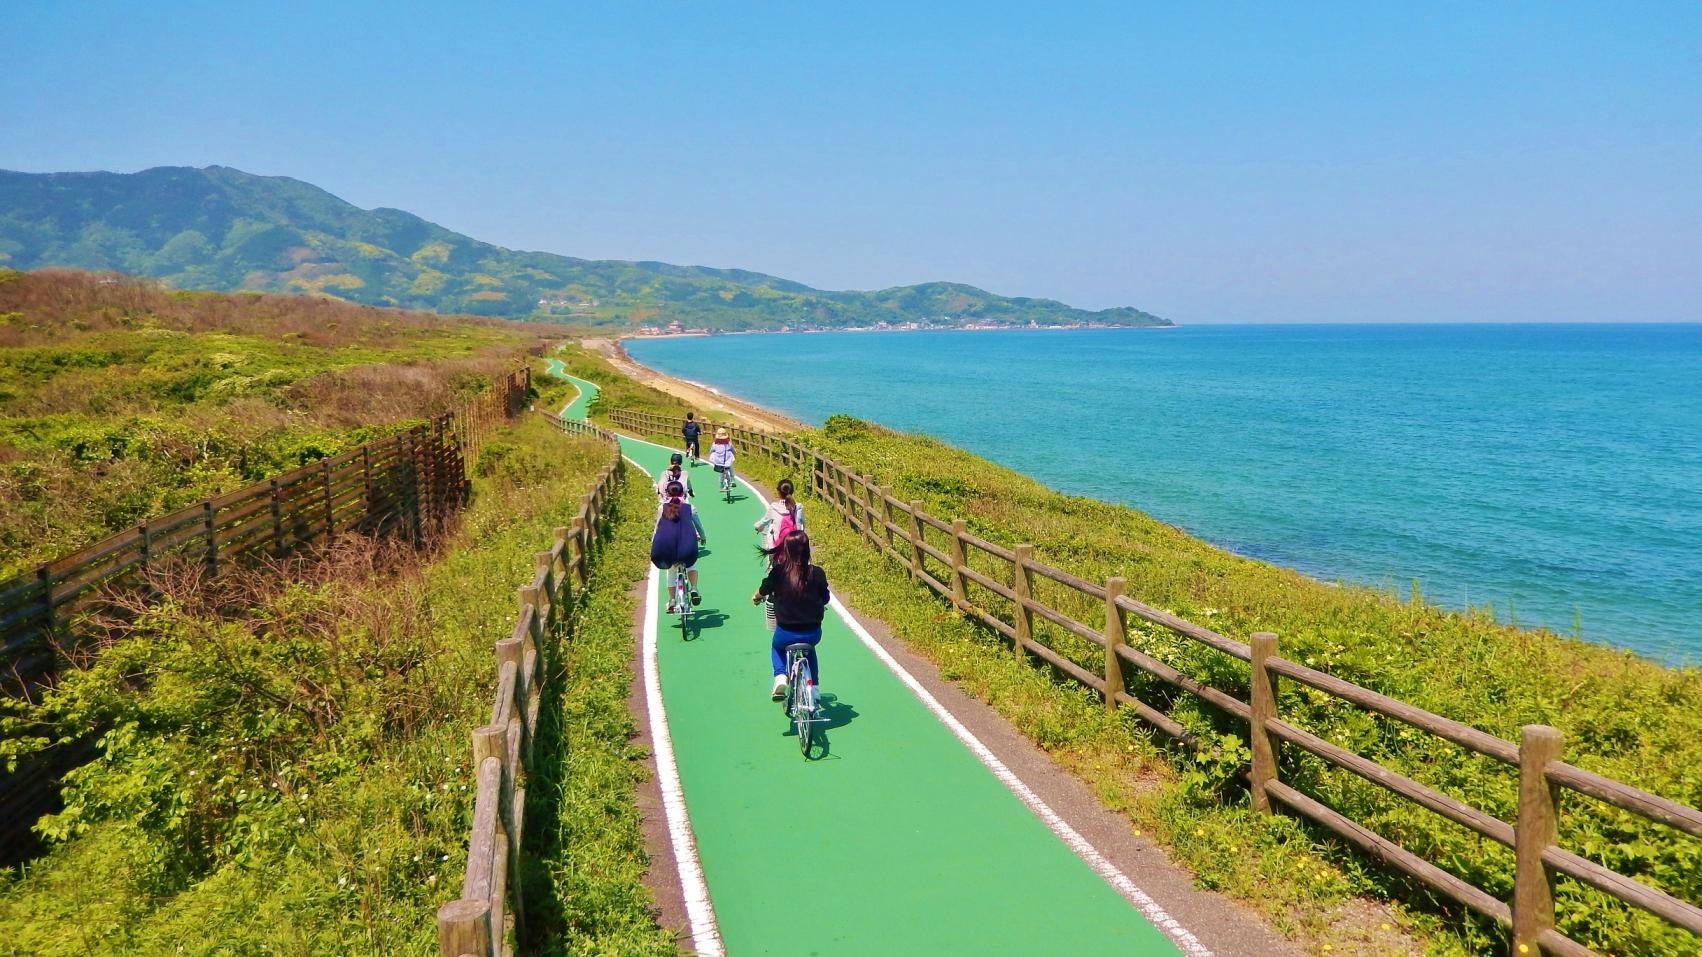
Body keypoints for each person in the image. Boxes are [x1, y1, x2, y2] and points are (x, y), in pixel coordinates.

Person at [752, 529, 830, 700]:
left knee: (776, 648)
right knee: (809, 651)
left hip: (785, 633)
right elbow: (825, 598)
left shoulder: (779, 573)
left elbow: (763, 590)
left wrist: (756, 597)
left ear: (786, 549)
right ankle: (814, 688)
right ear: (807, 549)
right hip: (813, 633)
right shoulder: (817, 573)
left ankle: (780, 676)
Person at [753, 479, 806, 628]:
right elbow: (802, 525)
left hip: (779, 551)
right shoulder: (798, 507)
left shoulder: (773, 508)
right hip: (797, 550)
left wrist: (756, 527)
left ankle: (770, 602)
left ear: (778, 492)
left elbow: (763, 522)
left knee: (774, 575)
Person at [653, 481, 703, 611]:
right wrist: (703, 537)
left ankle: (672, 600)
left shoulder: (662, 508)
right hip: (687, 548)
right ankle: (694, 588)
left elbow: (657, 528)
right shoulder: (689, 508)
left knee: (671, 571)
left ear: (667, 493)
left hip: (667, 550)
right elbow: (698, 526)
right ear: (683, 493)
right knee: (691, 564)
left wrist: (654, 543)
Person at [708, 428, 736, 493]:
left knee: (721, 473)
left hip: (718, 462)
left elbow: (711, 451)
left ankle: (721, 485)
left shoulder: (715, 444)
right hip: (727, 462)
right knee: (731, 466)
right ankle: (732, 479)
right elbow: (733, 450)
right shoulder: (728, 444)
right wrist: (734, 453)